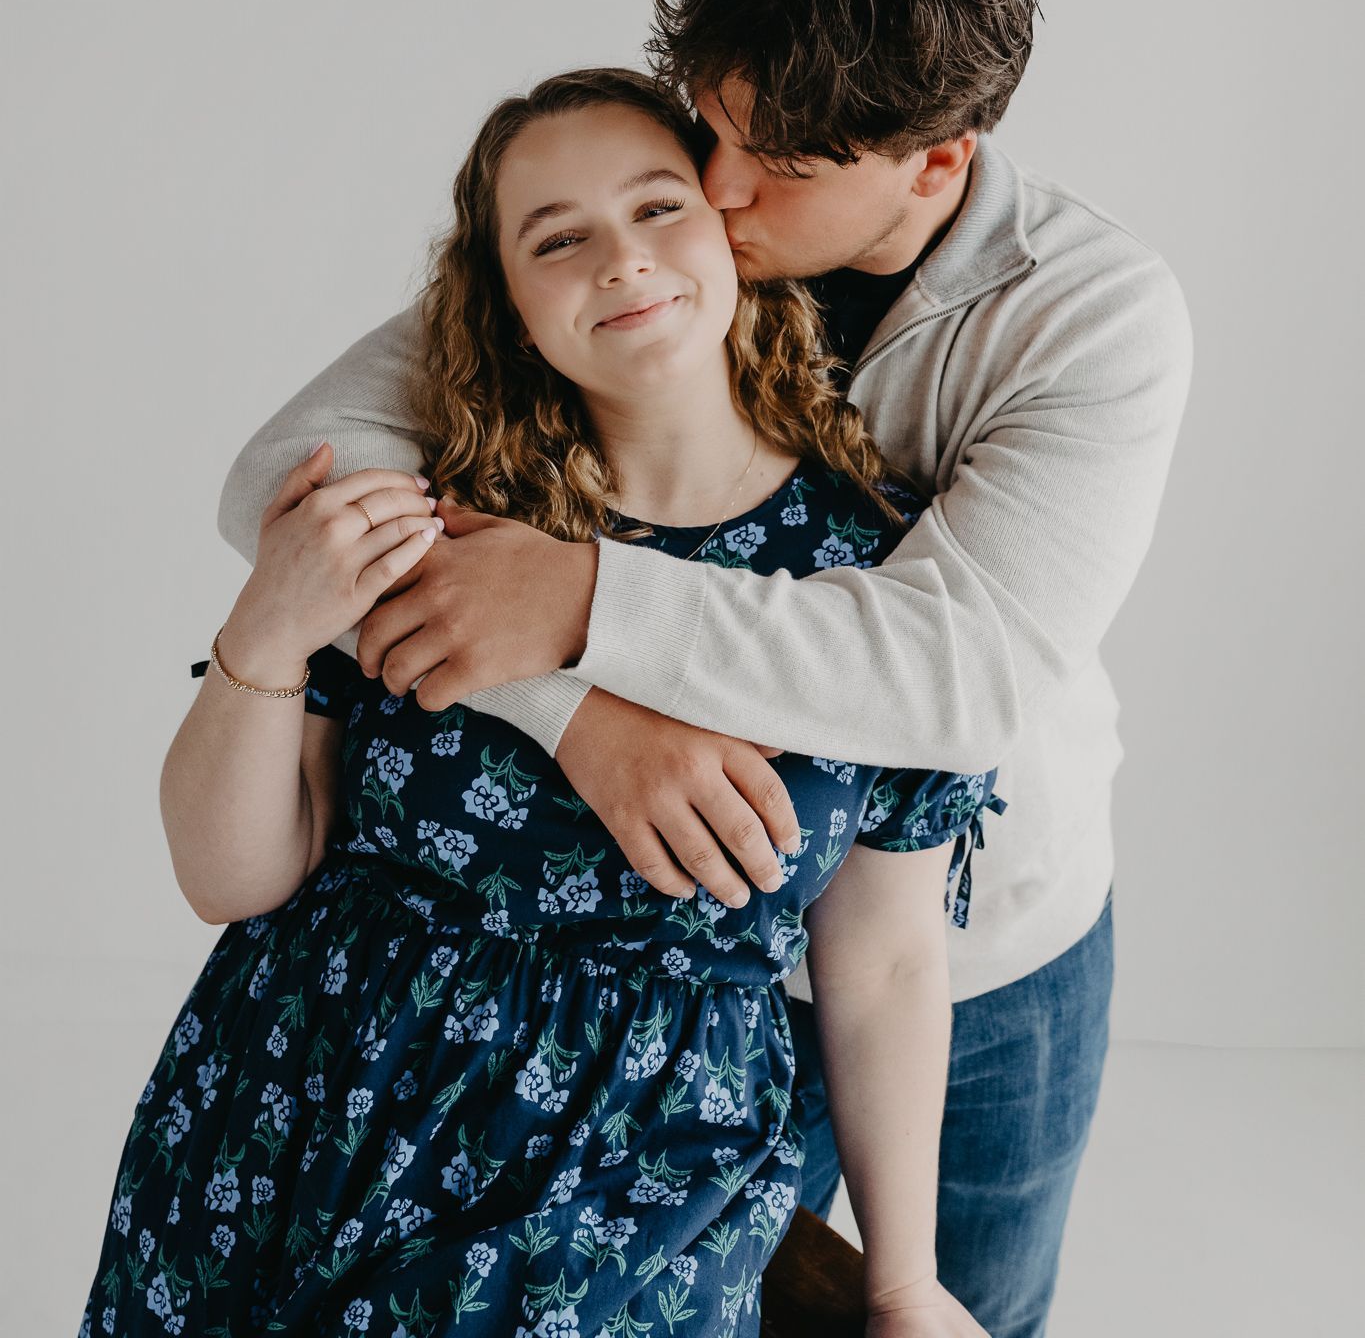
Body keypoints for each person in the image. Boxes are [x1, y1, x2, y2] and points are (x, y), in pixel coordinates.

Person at [219, 0, 1194, 1338]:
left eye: (781, 169)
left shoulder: (1094, 313)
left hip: (966, 956)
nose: (720, 193)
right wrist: (577, 715)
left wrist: (583, 597)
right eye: (714, 128)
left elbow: (959, 669)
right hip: (655, 971)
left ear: (937, 162)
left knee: (949, 1312)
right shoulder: (659, 225)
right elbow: (285, 484)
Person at [79, 68, 1003, 1338]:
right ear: (507, 305)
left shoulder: (868, 581)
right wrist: (268, 626)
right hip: (305, 1113)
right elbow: (230, 873)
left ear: (733, 233)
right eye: (557, 238)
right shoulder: (432, 511)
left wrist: (903, 1275)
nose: (620, 260)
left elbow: (889, 960)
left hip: (639, 1188)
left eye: (657, 207)